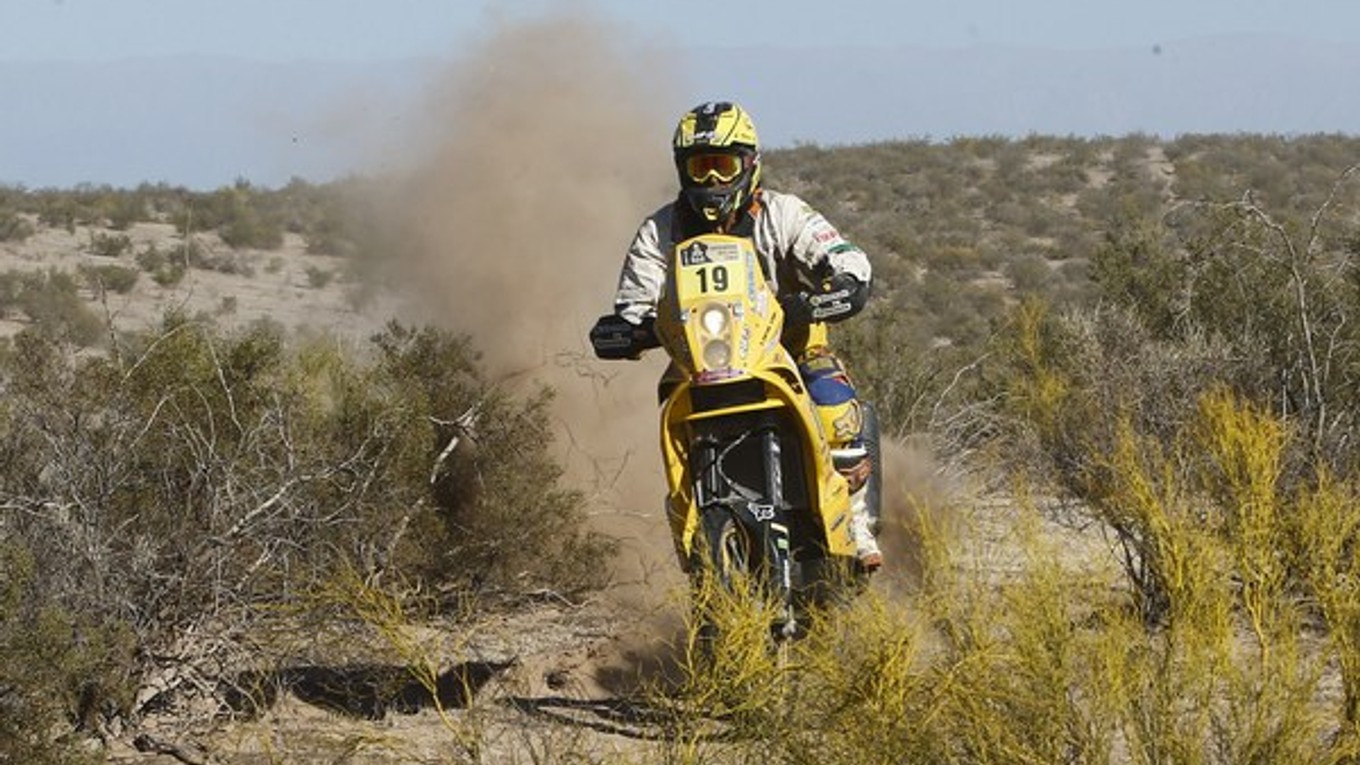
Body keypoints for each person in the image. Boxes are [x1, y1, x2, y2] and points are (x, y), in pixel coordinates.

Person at [592, 100, 882, 571]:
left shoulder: (784, 213)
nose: (711, 181)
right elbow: (634, 300)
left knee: (832, 404)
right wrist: (628, 329)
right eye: (700, 168)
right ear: (682, 170)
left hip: (789, 347)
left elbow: (847, 258)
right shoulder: (660, 230)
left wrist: (834, 289)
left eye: (722, 166)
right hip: (698, 359)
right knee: (670, 427)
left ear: (749, 164)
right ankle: (695, 535)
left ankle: (856, 519)